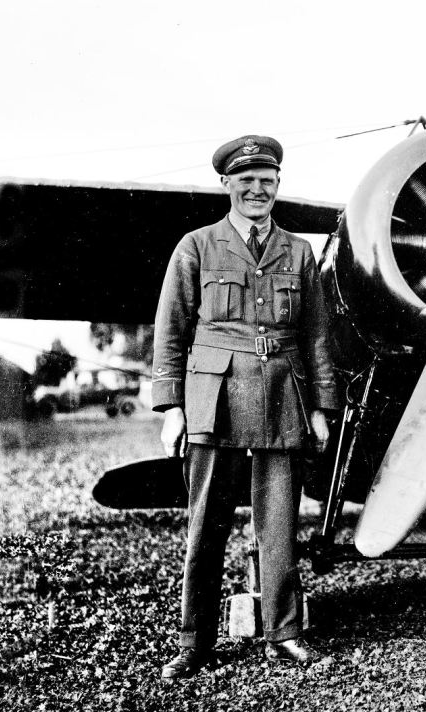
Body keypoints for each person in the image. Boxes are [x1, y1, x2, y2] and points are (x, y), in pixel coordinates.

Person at [152, 135, 340, 680]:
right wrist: (173, 408)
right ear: (226, 185)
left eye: (268, 181)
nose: (257, 190)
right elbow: (171, 330)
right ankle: (195, 641)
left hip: (283, 395)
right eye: (247, 181)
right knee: (206, 523)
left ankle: (284, 633)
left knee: (278, 525)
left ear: (278, 186)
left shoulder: (298, 251)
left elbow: (317, 336)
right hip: (215, 397)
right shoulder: (197, 246)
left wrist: (322, 407)